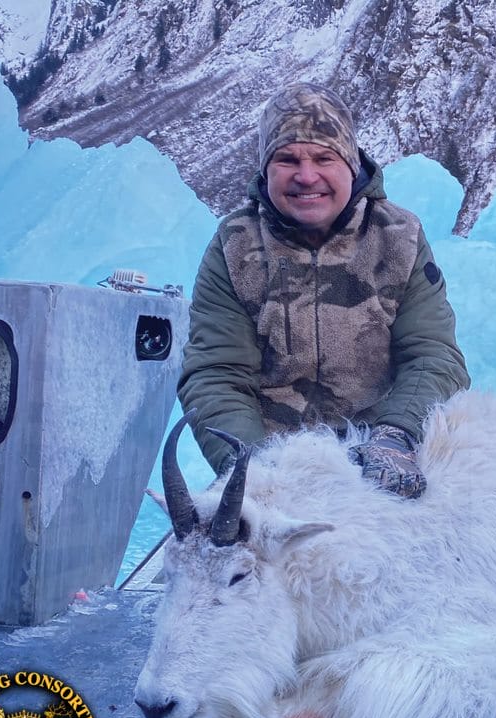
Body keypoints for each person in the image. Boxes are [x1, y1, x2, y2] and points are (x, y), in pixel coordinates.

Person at [178, 82, 470, 499]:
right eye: (287, 159)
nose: (306, 175)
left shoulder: (399, 237)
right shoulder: (235, 244)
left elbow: (434, 356)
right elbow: (216, 373)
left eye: (323, 157)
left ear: (350, 164)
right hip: (271, 464)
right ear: (265, 168)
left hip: (382, 464)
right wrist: (254, 468)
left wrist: (395, 436)